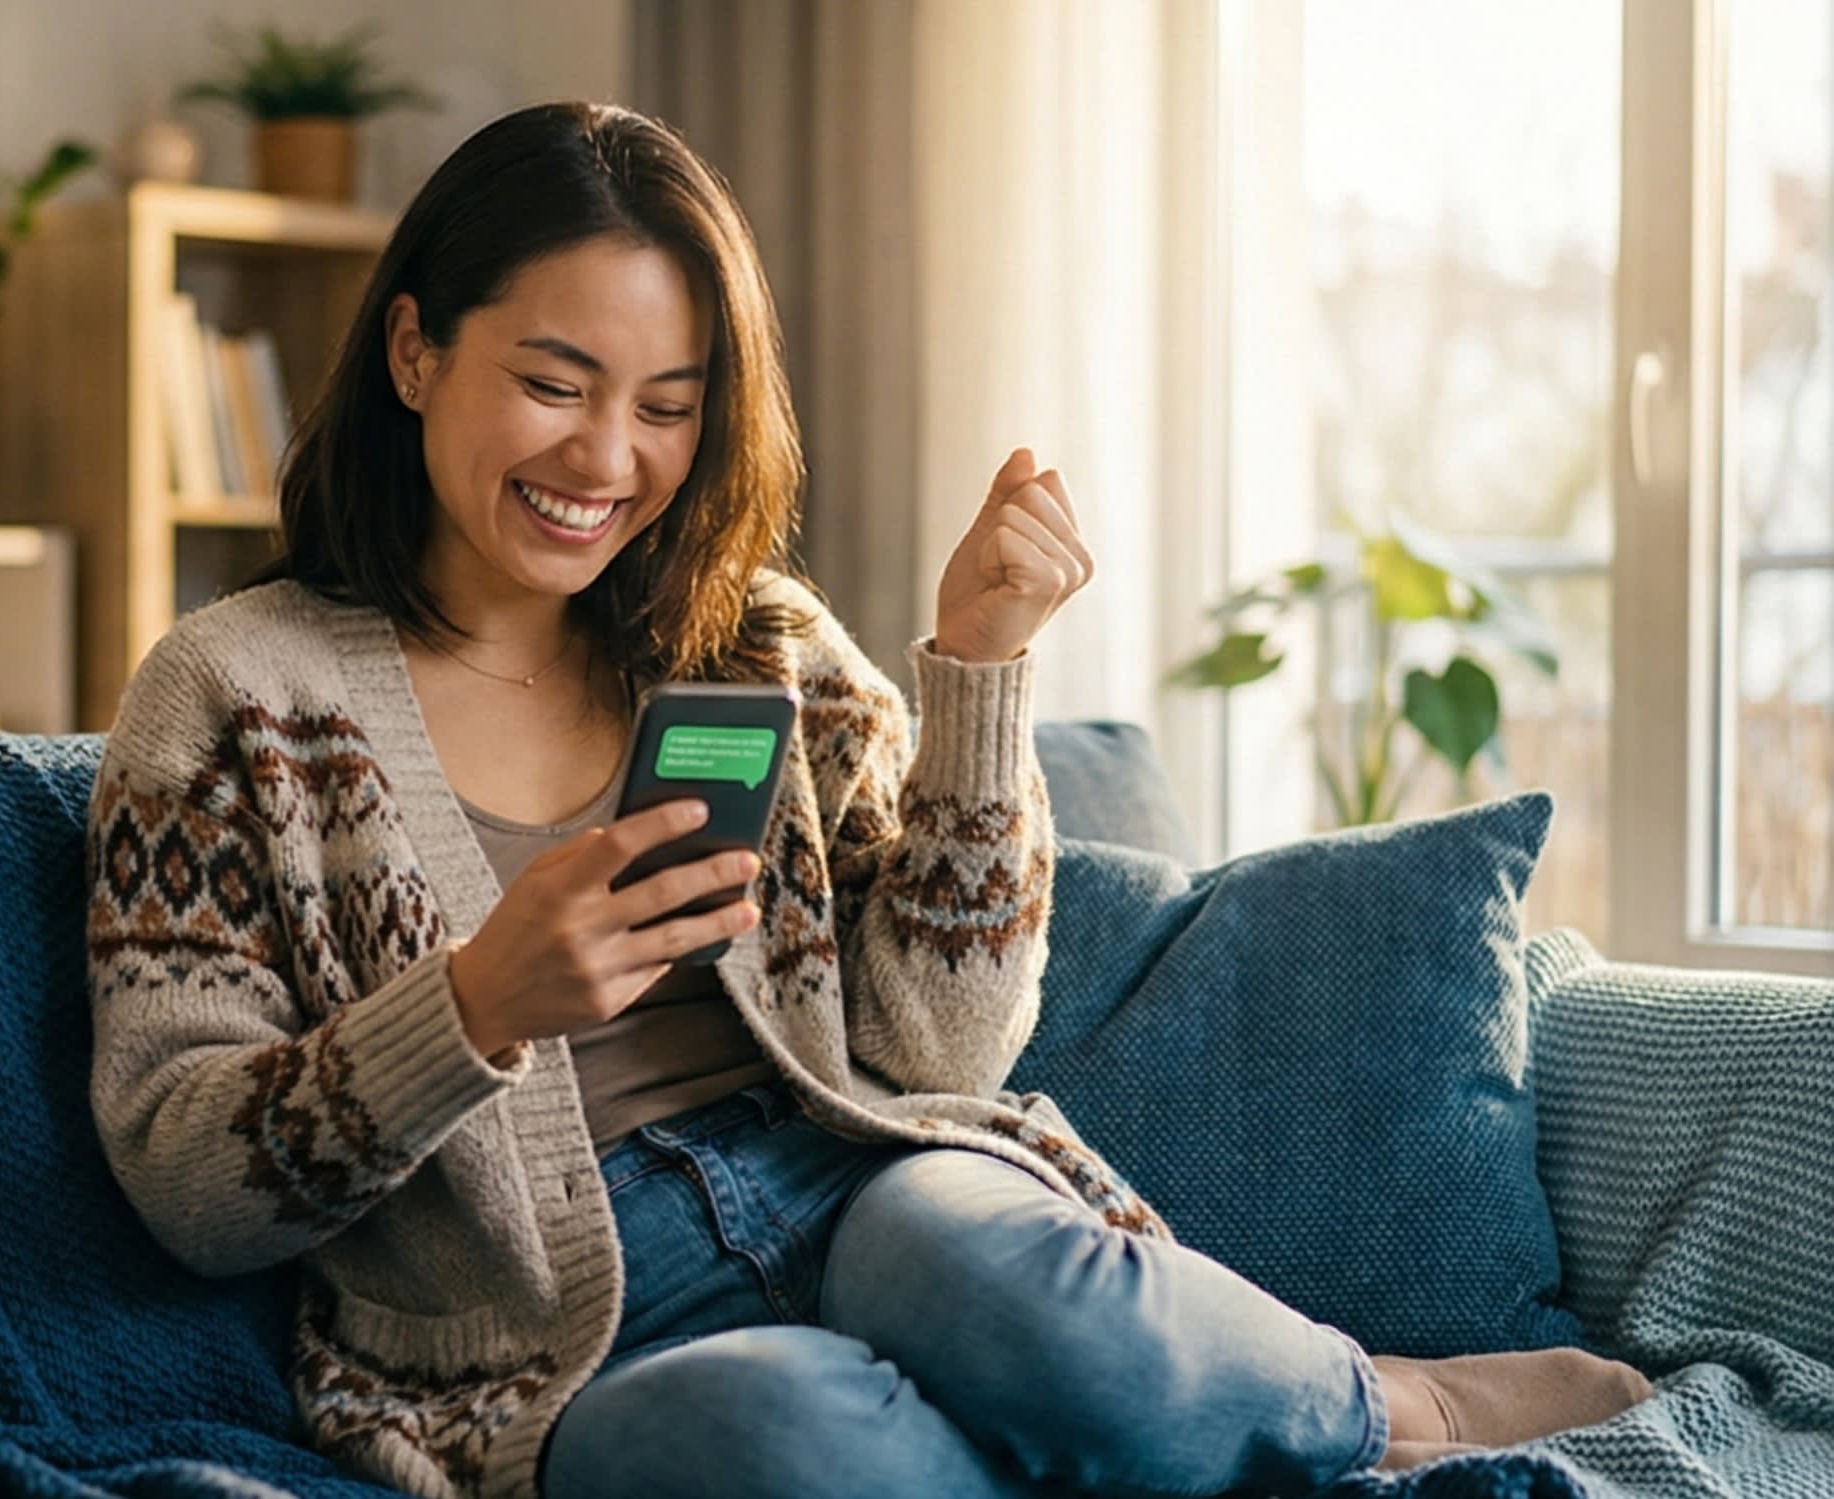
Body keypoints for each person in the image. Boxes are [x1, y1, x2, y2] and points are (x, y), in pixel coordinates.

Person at [82, 101, 1654, 1499]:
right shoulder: (235, 695)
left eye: (668, 404)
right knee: (785, 1435)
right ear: (416, 352)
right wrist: (478, 1005)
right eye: (554, 383)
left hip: (857, 1181)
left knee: (967, 1257)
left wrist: (979, 668)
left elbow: (940, 1052)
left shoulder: (755, 641)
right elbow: (185, 1178)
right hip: (563, 1354)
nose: (607, 458)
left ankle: (1387, 1404)